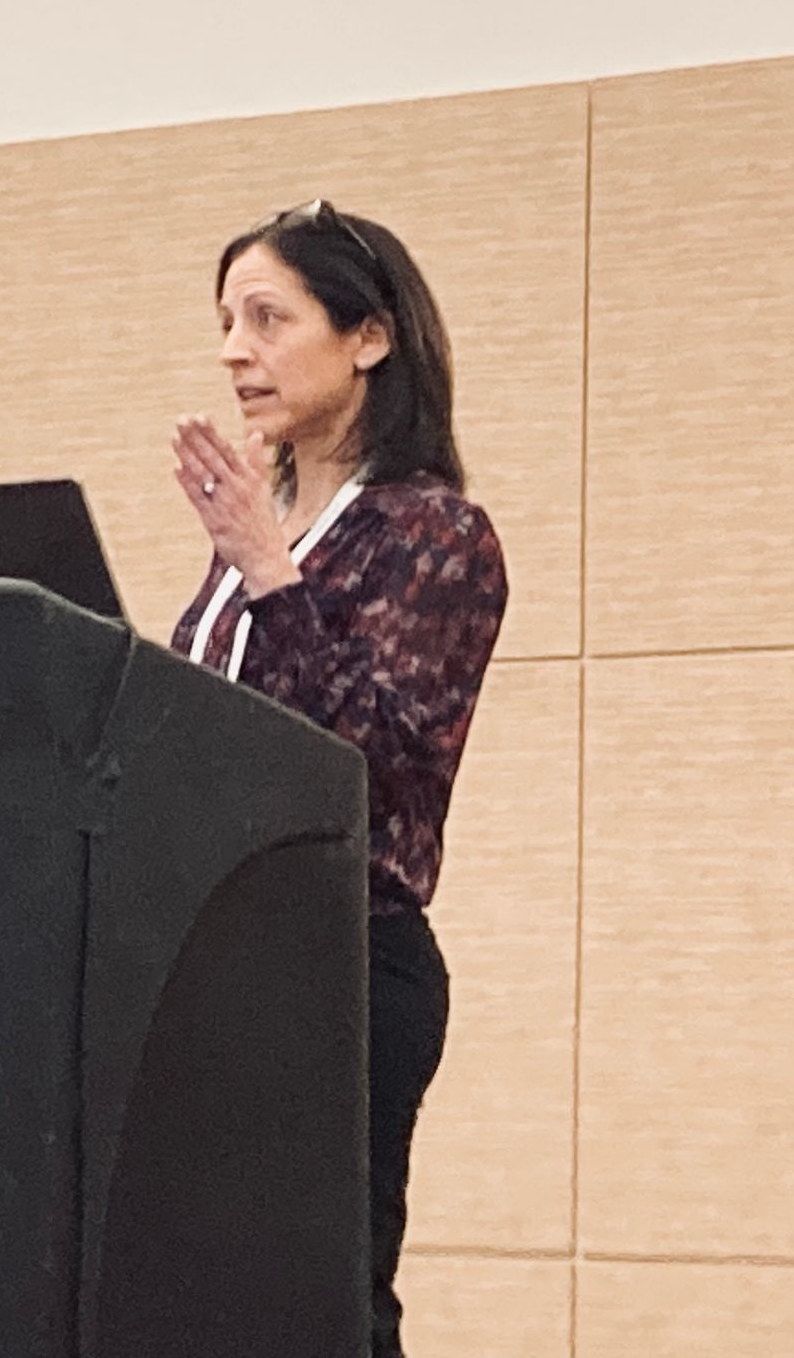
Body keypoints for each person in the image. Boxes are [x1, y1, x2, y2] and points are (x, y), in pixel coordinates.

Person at [169, 200, 507, 1358]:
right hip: (205, 960)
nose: (233, 349)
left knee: (319, 1311)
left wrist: (268, 570)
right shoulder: (259, 541)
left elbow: (376, 765)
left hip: (345, 967)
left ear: (368, 338)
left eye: (268, 317)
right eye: (224, 321)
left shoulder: (435, 536)